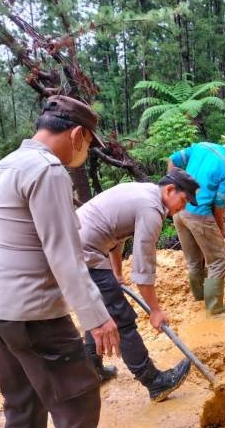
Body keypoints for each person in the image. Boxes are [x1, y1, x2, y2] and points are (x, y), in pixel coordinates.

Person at [0, 95, 121, 428]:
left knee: (22, 407)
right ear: (77, 134)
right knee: (79, 402)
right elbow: (64, 255)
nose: (85, 150)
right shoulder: (48, 170)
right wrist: (97, 318)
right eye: (88, 142)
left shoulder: (5, 165)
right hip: (34, 314)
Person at [76, 169, 200, 400]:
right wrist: (155, 310)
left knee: (99, 308)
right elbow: (144, 265)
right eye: (183, 201)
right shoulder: (152, 209)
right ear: (170, 190)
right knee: (121, 319)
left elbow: (117, 235)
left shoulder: (143, 193)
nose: (182, 208)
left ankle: (92, 370)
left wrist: (116, 273)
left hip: (79, 249)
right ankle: (155, 382)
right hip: (85, 254)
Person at [168, 127, 225, 315]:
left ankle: (200, 298)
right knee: (218, 260)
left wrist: (174, 190)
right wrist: (219, 228)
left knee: (193, 260)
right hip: (199, 214)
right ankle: (215, 309)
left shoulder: (202, 146)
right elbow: (218, 203)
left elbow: (173, 159)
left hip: (179, 210)